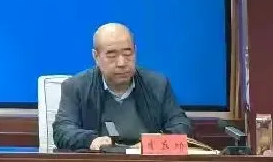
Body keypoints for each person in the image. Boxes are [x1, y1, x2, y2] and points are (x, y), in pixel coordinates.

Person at [52, 22, 192, 151]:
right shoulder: (76, 87)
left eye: (127, 53)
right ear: (96, 56)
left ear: (135, 51)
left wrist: (154, 143)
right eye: (112, 55)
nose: (122, 63)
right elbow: (62, 130)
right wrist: (91, 141)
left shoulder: (157, 84)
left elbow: (181, 125)